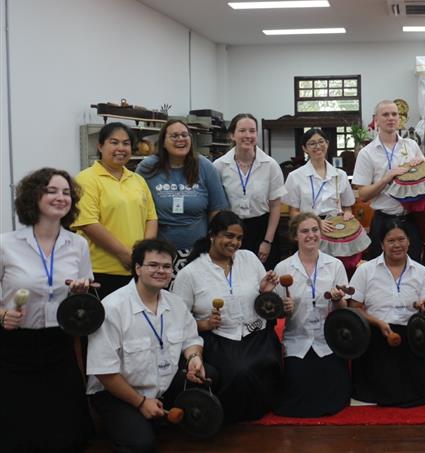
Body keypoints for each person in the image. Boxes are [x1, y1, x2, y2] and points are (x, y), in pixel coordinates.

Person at [0, 168, 95, 452]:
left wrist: (79, 293)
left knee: (64, 436)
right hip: (14, 345)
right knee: (17, 434)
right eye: (51, 191)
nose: (60, 197)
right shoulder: (6, 244)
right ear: (33, 197)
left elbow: (82, 298)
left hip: (59, 344)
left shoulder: (78, 244)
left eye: (66, 192)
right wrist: (2, 314)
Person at [87, 239, 212, 452]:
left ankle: (154, 416)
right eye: (153, 265)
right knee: (141, 445)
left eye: (166, 266)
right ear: (138, 268)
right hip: (118, 392)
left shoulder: (176, 303)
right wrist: (140, 402)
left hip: (162, 384)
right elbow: (104, 372)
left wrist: (194, 358)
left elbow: (191, 340)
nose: (161, 271)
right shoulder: (112, 308)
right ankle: (137, 419)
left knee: (210, 375)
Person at [172, 210, 283, 422]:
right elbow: (177, 321)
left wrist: (264, 292)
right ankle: (231, 416)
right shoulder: (190, 273)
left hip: (256, 333)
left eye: (239, 238)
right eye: (229, 236)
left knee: (269, 361)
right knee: (240, 371)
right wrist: (204, 324)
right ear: (212, 235)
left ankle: (261, 407)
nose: (235, 243)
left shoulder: (249, 258)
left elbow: (266, 305)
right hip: (219, 339)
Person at [349, 220, 425, 406]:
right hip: (377, 333)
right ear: (382, 244)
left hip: (413, 335)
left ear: (409, 241)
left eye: (401, 239)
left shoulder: (421, 272)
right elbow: (354, 307)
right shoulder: (366, 270)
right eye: (391, 241)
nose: (397, 245)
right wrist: (378, 322)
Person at [272, 212, 351, 417]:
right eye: (304, 231)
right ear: (295, 236)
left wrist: (337, 300)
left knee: (332, 392)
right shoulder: (283, 268)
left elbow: (343, 310)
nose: (311, 235)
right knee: (299, 393)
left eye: (315, 230)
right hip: (298, 339)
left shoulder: (335, 265)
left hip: (328, 340)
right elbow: (277, 313)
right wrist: (284, 309)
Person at [73, 122, 158, 297]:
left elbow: (151, 218)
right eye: (114, 142)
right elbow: (88, 223)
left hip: (137, 269)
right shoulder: (86, 179)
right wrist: (124, 254)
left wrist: (143, 254)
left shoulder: (137, 180)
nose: (121, 148)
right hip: (101, 271)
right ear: (100, 146)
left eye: (126, 143)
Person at [136, 119, 228, 271]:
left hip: (198, 252)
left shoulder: (205, 167)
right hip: (159, 254)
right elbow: (136, 208)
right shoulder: (147, 168)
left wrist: (213, 244)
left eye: (185, 135)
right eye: (174, 136)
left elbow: (217, 210)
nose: (180, 139)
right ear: (163, 142)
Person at [352, 100, 425, 261]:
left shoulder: (411, 146)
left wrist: (420, 169)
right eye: (385, 114)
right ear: (376, 120)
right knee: (379, 269)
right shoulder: (367, 153)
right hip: (383, 219)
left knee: (413, 267)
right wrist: (387, 178)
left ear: (399, 118)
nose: (391, 118)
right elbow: (363, 195)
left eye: (394, 114)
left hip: (410, 219)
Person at [283, 128, 363, 271]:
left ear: (327, 144)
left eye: (321, 142)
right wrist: (317, 222)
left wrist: (347, 214)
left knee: (336, 268)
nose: (318, 146)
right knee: (313, 268)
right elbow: (293, 212)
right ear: (304, 148)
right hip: (309, 229)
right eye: (312, 143)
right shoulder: (295, 176)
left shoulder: (340, 175)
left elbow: (347, 206)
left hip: (336, 229)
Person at [213, 113, 286, 269]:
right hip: (230, 230)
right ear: (232, 135)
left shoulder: (270, 165)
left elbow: (275, 206)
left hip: (262, 229)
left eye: (252, 131)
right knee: (231, 273)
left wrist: (267, 241)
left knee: (263, 276)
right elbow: (215, 205)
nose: (248, 135)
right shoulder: (219, 166)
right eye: (242, 131)